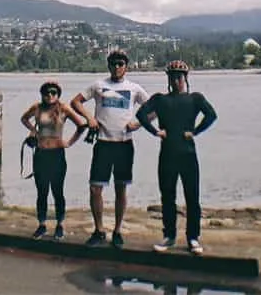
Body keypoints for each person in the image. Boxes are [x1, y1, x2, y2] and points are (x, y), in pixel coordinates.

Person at [137, 59, 218, 255]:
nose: (176, 81)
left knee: (192, 198)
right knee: (167, 197)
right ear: (169, 79)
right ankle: (169, 236)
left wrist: (196, 131)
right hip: (167, 155)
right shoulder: (160, 100)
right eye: (173, 78)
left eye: (179, 77)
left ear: (185, 78)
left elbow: (211, 115)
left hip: (188, 155)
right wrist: (156, 131)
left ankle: (193, 238)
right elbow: (141, 114)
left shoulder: (195, 99)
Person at [71, 49, 149, 248]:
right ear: (109, 66)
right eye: (113, 64)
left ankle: (117, 230)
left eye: (120, 64)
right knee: (95, 188)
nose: (117, 67)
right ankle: (98, 230)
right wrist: (89, 118)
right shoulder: (99, 85)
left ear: (126, 66)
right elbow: (75, 102)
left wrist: (138, 123)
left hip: (124, 144)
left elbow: (153, 108)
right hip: (103, 144)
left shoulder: (134, 88)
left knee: (120, 188)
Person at [19, 80, 87, 239]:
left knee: (58, 191)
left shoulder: (63, 109)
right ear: (42, 94)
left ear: (58, 94)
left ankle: (60, 224)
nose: (50, 95)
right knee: (41, 192)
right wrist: (33, 131)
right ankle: (42, 224)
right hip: (41, 154)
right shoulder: (36, 108)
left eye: (53, 93)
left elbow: (81, 126)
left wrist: (69, 142)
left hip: (57, 154)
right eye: (47, 92)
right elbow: (24, 118)